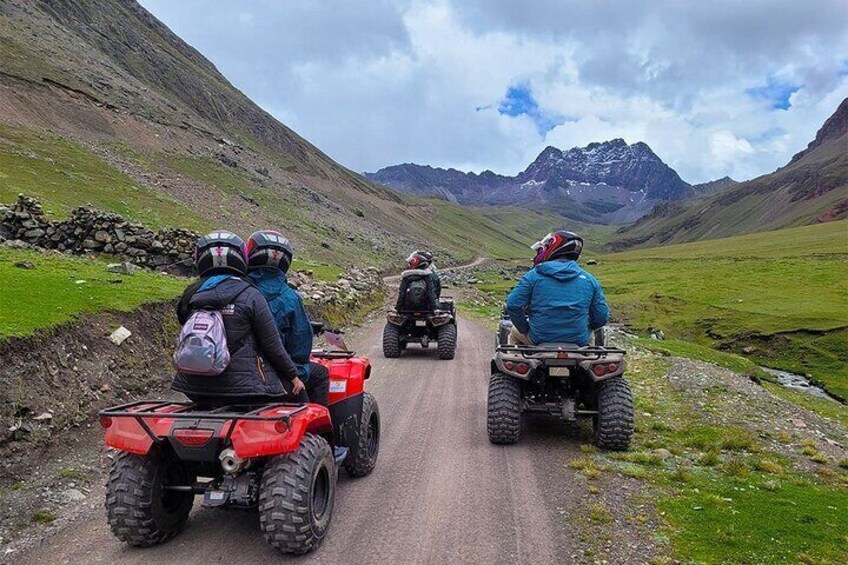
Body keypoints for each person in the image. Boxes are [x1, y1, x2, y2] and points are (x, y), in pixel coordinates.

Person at [172, 230, 305, 405]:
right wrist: (293, 376)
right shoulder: (251, 295)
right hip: (243, 389)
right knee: (302, 397)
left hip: (192, 387)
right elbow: (272, 344)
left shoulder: (191, 293)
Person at [245, 230, 330, 407]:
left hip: (235, 375)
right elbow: (300, 346)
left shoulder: (238, 290)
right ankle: (322, 431)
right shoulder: (290, 298)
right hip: (275, 377)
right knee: (320, 375)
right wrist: (296, 374)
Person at [505, 231, 609, 346]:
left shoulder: (533, 276)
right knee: (590, 340)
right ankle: (588, 359)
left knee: (515, 333)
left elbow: (512, 304)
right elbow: (602, 317)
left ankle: (516, 360)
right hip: (578, 340)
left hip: (539, 338)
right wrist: (587, 327)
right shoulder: (590, 280)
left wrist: (524, 328)